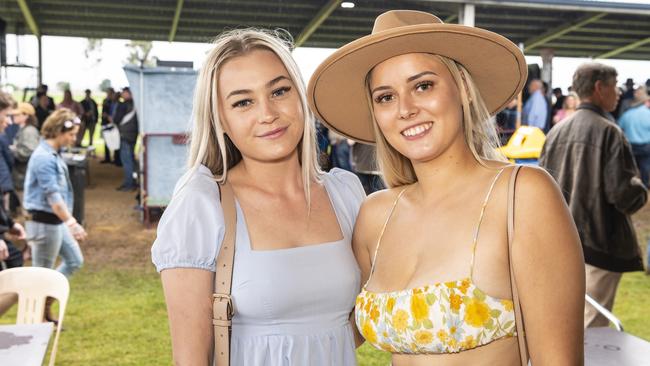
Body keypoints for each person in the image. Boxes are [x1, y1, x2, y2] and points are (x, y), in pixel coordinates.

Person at [309, 10, 585, 365]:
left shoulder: (521, 196)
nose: (405, 109)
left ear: (464, 89)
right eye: (385, 97)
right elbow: (335, 331)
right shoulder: (376, 214)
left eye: (423, 85)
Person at [151, 29, 366, 366]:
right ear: (221, 119)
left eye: (279, 91)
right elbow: (190, 358)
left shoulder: (345, 193)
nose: (268, 113)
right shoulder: (203, 205)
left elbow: (358, 324)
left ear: (301, 96)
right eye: (243, 102)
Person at [539, 63, 647, 328]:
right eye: (615, 85)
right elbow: (623, 194)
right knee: (591, 331)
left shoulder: (555, 132)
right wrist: (641, 191)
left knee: (562, 324)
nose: (619, 92)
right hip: (599, 243)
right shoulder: (609, 131)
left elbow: (541, 188)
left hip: (560, 242)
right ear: (599, 88)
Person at [23, 108, 87, 321]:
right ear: (59, 130)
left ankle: (45, 303)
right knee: (41, 274)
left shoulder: (53, 154)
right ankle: (36, 319)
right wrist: (71, 222)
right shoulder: (44, 158)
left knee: (74, 261)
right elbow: (53, 198)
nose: (73, 137)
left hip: (55, 224)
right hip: (44, 224)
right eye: (71, 133)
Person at [618, 86, 650, 186]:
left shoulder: (627, 114)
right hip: (646, 146)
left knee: (631, 169)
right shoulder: (648, 114)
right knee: (645, 167)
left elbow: (619, 128)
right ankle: (645, 187)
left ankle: (633, 188)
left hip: (630, 146)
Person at [9, 102, 40, 191]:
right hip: (21, 177)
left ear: (26, 115)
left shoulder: (29, 131)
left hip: (24, 177)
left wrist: (13, 150)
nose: (14, 116)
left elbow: (29, 151)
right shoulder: (24, 129)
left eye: (17, 114)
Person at [113, 87, 138, 191]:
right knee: (131, 160)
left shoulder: (123, 105)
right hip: (133, 135)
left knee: (127, 161)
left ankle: (129, 184)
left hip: (125, 135)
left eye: (123, 92)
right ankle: (132, 181)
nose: (121, 94)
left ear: (128, 93)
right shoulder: (136, 104)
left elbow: (116, 119)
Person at [100, 87, 115, 163]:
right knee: (106, 141)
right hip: (105, 123)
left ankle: (115, 159)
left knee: (114, 141)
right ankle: (107, 158)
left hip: (112, 124)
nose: (108, 94)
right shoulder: (105, 101)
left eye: (110, 93)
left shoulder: (114, 102)